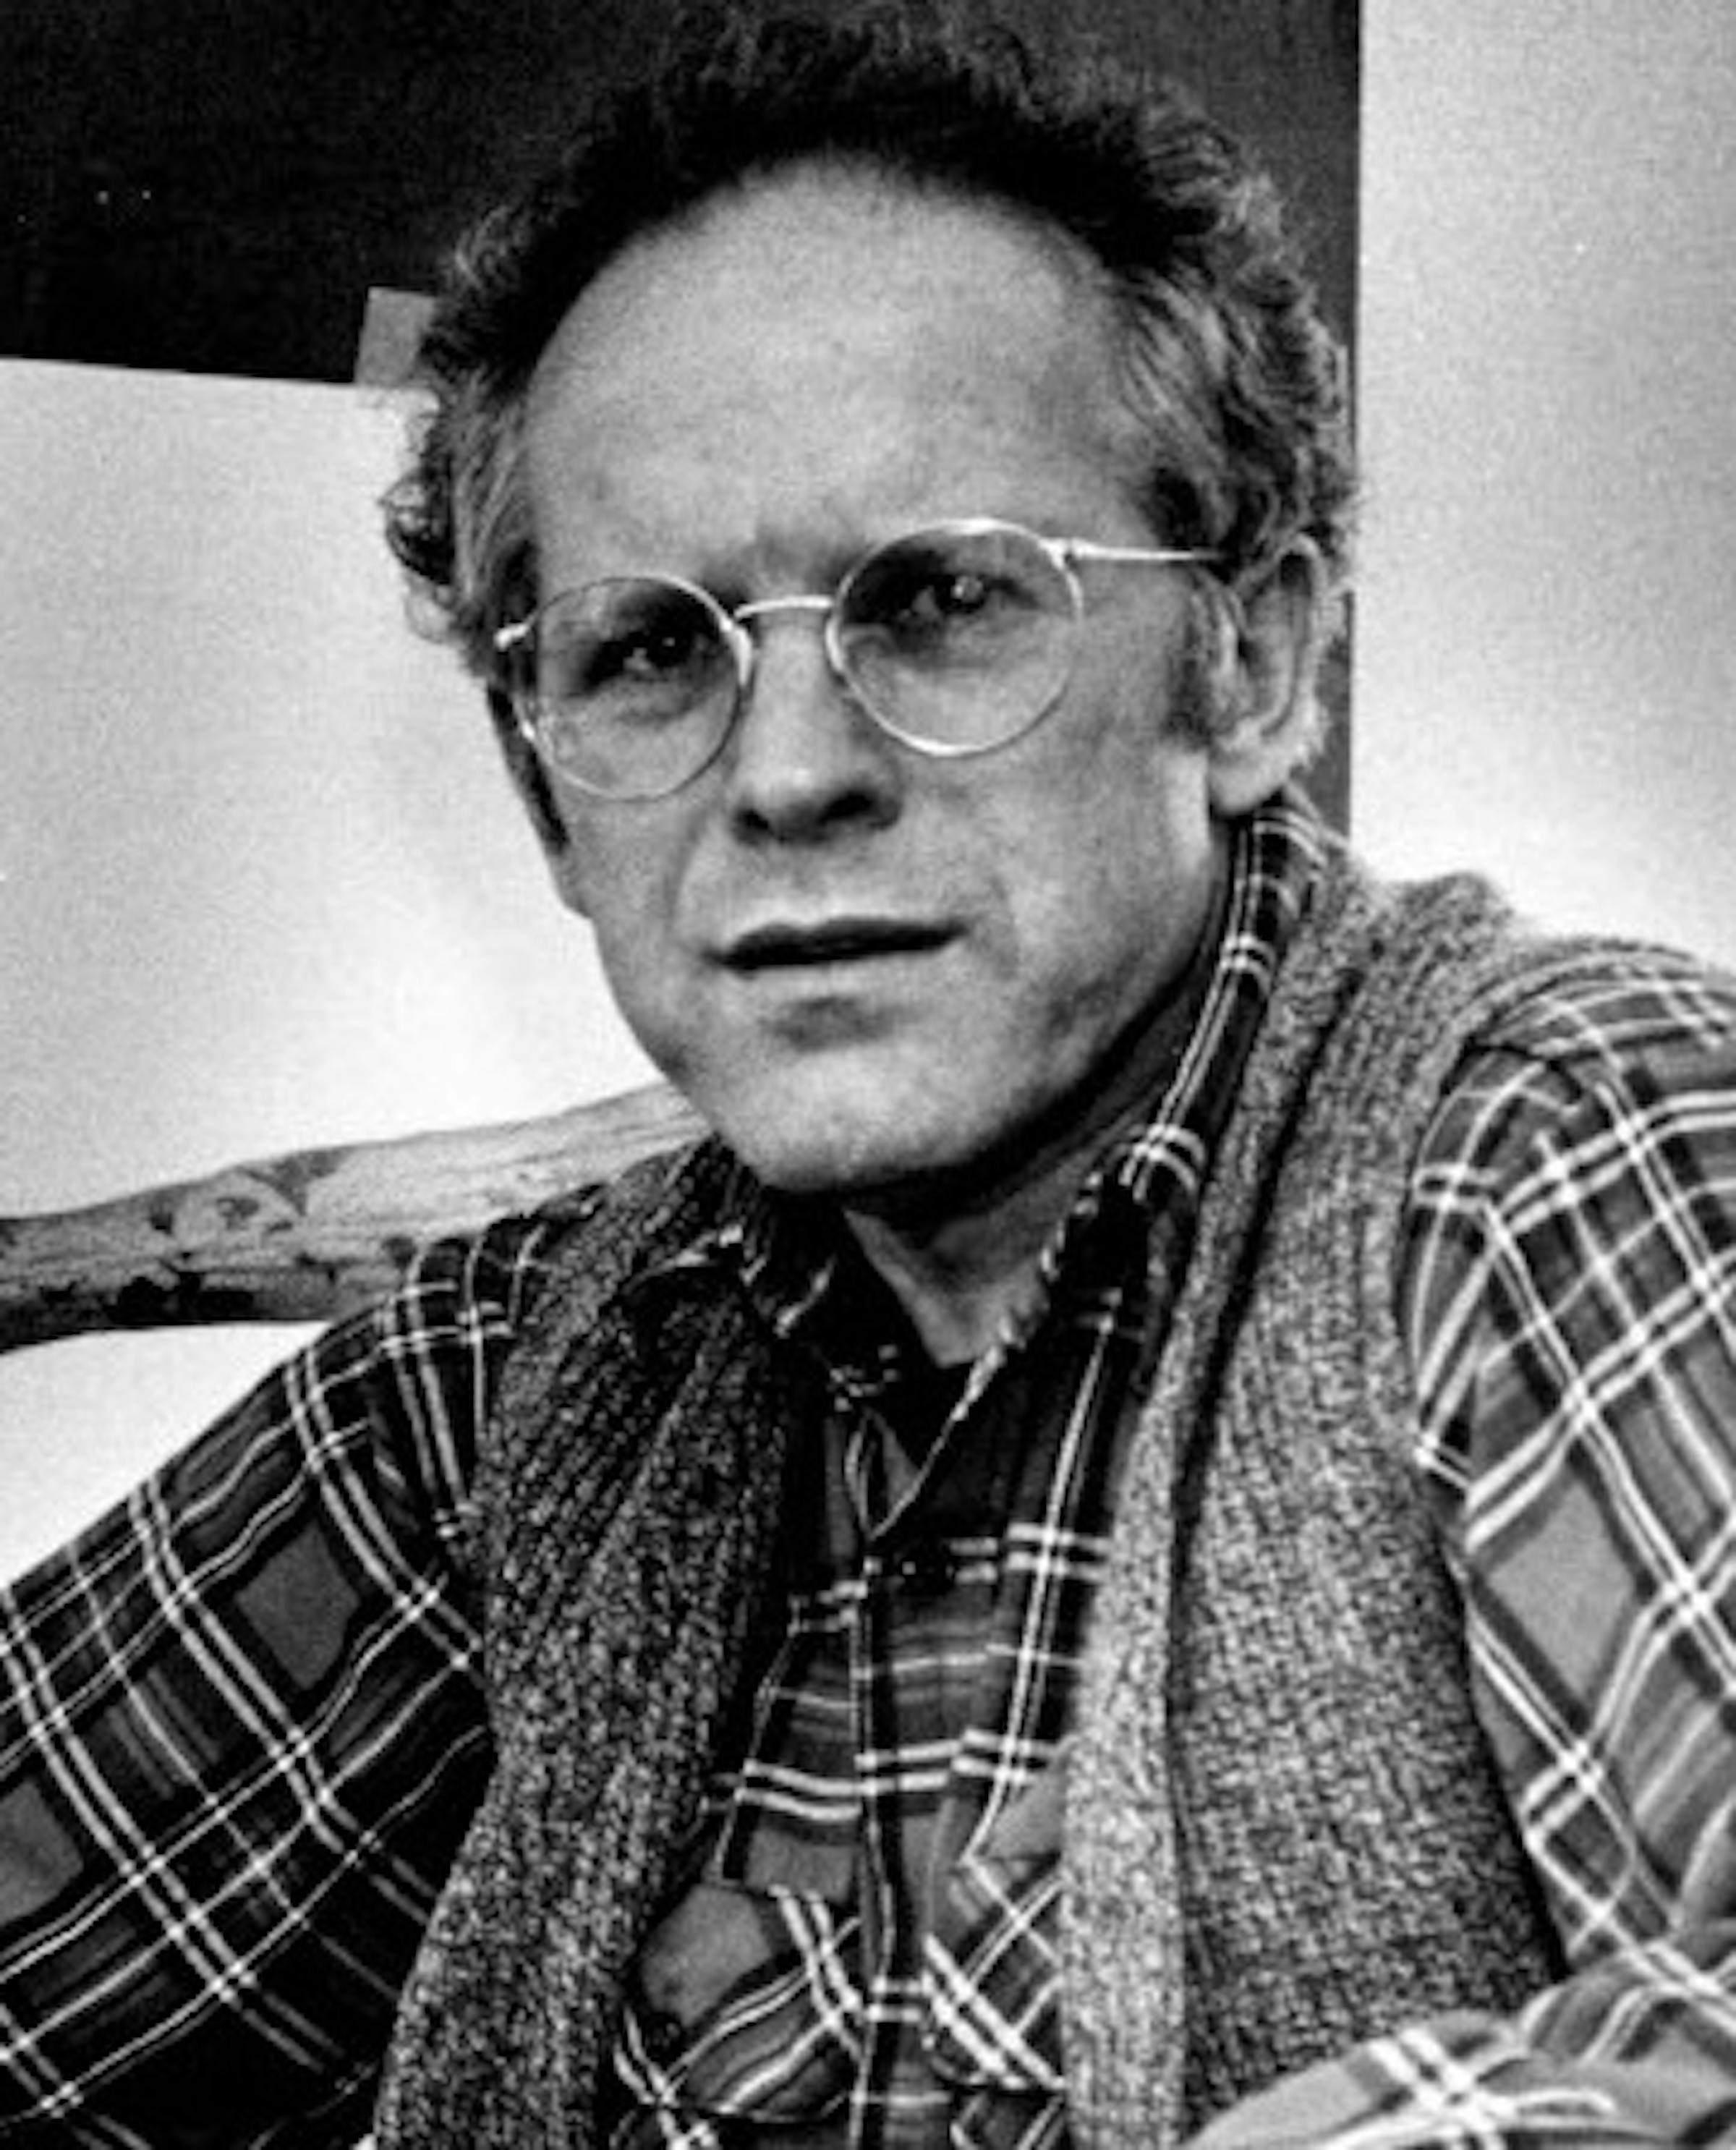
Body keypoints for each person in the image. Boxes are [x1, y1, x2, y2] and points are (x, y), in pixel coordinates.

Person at [4, 3, 1736, 2143]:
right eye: (652, 652)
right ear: (550, 807)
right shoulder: (524, 1393)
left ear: (1255, 663)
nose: (791, 772)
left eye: (935, 602)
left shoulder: (1562, 1144)